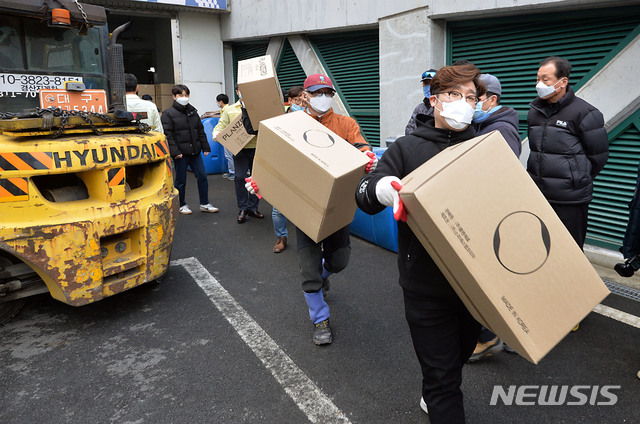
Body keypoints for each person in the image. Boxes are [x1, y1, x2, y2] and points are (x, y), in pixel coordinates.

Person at [356, 64, 485, 423]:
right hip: (425, 284)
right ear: (434, 101)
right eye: (453, 95)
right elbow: (365, 193)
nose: (463, 103)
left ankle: (434, 387)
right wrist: (383, 188)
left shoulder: (484, 149)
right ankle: (438, 391)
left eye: (471, 97)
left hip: (476, 284)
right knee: (444, 380)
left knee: (456, 357)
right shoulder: (407, 148)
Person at [247, 74, 377, 345]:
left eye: (328, 92)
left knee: (339, 261)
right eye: (317, 92)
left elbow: (361, 146)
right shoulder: (290, 125)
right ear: (305, 95)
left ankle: (322, 276)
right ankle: (320, 319)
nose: (323, 97)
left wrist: (367, 156)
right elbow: (273, 159)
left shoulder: (345, 123)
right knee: (308, 270)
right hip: (304, 207)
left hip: (337, 208)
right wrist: (260, 182)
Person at [527, 56, 609, 250]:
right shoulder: (535, 111)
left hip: (570, 199)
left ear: (563, 82)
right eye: (537, 79)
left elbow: (599, 156)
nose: (539, 84)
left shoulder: (586, 113)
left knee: (569, 251)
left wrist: (576, 178)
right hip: (539, 195)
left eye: (545, 79)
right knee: (539, 249)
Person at [468, 73, 521, 362]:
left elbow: (496, 177)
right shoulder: (483, 125)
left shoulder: (499, 130)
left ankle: (488, 337)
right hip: (486, 212)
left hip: (490, 214)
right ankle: (505, 335)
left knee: (485, 279)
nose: (470, 104)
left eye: (474, 98)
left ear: (491, 99)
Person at [161, 84, 219, 215]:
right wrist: (175, 152)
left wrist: (205, 146)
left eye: (186, 95)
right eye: (181, 95)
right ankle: (181, 204)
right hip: (181, 153)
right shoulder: (168, 114)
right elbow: (168, 135)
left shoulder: (193, 111)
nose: (184, 97)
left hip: (195, 151)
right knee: (180, 181)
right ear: (174, 97)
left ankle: (205, 203)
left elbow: (200, 131)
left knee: (202, 176)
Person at [213, 87, 262, 223]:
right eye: (241, 89)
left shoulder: (258, 107)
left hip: (257, 148)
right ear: (237, 91)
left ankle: (253, 208)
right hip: (239, 149)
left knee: (257, 180)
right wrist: (216, 134)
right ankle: (243, 208)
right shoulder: (230, 109)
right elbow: (221, 125)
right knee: (240, 177)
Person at [272, 86, 305, 253]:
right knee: (278, 207)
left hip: (305, 168)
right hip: (284, 166)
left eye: (303, 99)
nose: (301, 103)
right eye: (297, 100)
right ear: (290, 101)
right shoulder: (280, 118)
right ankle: (281, 237)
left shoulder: (311, 118)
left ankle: (312, 241)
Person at [472, 73, 521, 156]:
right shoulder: (478, 123)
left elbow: (508, 166)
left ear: (492, 100)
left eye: (476, 98)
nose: (472, 103)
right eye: (470, 98)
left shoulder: (503, 130)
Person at [405, 69, 437, 135]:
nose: (428, 86)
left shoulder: (443, 107)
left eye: (431, 83)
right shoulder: (419, 108)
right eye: (426, 83)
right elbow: (409, 129)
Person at [216, 94, 236, 181]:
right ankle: (231, 171)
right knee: (230, 155)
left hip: (228, 136)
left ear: (220, 101)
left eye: (217, 101)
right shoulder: (226, 109)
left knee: (229, 155)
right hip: (229, 135)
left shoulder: (226, 110)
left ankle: (233, 172)